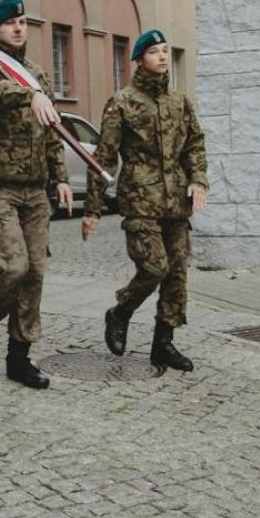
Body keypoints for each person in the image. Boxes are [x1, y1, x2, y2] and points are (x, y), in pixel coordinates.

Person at [0, 0, 69, 390]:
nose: (18, 28)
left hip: (33, 188)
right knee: (12, 267)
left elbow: (51, 129)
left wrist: (60, 177)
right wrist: (29, 94)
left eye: (22, 21)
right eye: (10, 23)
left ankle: (20, 356)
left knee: (35, 273)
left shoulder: (37, 72)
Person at [83, 29, 209, 372]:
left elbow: (194, 145)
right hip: (141, 201)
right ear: (139, 59)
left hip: (176, 205)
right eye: (154, 51)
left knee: (176, 276)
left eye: (166, 50)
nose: (163, 56)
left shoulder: (179, 102)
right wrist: (92, 208)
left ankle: (163, 344)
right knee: (154, 267)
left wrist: (198, 179)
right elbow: (104, 156)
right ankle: (120, 311)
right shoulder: (122, 102)